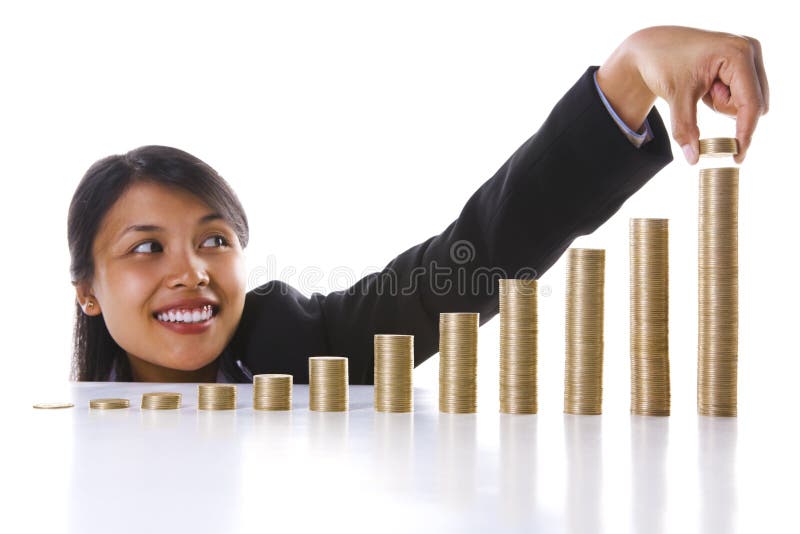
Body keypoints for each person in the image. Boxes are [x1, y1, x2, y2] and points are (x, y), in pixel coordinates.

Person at [68, 25, 768, 383]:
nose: (191, 270)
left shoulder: (296, 343)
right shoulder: (49, 436)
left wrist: (626, 74)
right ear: (87, 292)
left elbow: (474, 258)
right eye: (147, 246)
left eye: (215, 240)